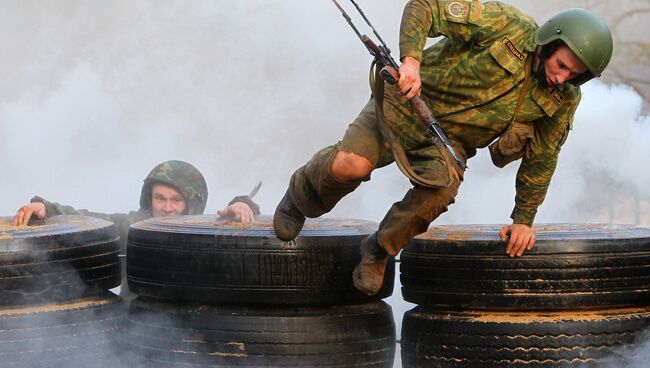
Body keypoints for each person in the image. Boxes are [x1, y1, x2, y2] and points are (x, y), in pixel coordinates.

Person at [273, 1, 613, 296]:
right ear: (549, 43)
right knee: (349, 165)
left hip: (447, 143)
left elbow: (543, 158)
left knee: (440, 193)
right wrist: (411, 63)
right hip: (403, 105)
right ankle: (300, 195)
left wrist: (523, 220)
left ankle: (377, 250)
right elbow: (425, 7)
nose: (561, 78)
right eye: (561, 65)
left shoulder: (562, 99)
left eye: (574, 75)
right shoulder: (507, 25)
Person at [12, 160, 261, 298]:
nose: (166, 207)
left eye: (176, 200)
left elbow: (235, 223)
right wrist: (45, 207)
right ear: (148, 198)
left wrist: (242, 204)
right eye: (160, 198)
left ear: (191, 203)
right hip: (134, 330)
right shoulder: (134, 228)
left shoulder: (204, 233)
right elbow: (87, 219)